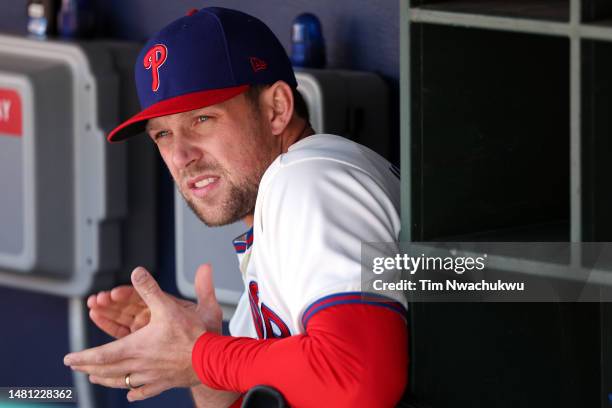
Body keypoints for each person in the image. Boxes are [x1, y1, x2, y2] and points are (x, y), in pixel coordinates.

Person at [64, 7, 408, 407]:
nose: (180, 155)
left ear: (276, 109)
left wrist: (200, 355)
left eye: (202, 119)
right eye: (162, 134)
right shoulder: (277, 212)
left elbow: (358, 380)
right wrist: (194, 348)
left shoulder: (308, 179)